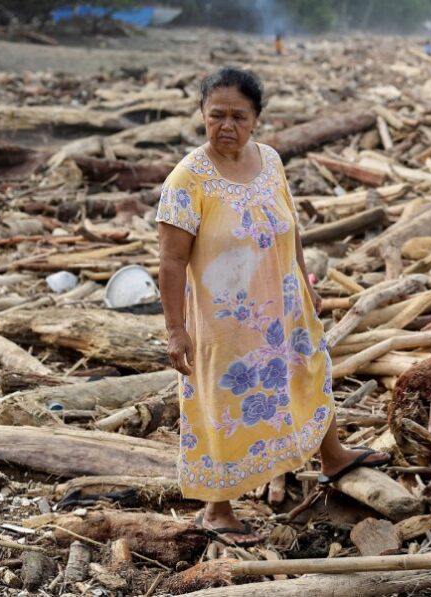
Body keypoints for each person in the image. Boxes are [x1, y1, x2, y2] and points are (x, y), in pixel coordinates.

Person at [156, 68, 390, 547]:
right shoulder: (187, 179)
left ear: (256, 119)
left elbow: (291, 228)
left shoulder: (270, 162)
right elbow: (171, 260)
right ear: (201, 116)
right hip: (227, 322)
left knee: (309, 371)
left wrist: (303, 279)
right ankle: (217, 508)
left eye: (237, 116)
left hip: (283, 305)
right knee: (223, 404)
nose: (226, 125)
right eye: (215, 115)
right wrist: (175, 330)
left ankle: (333, 457)